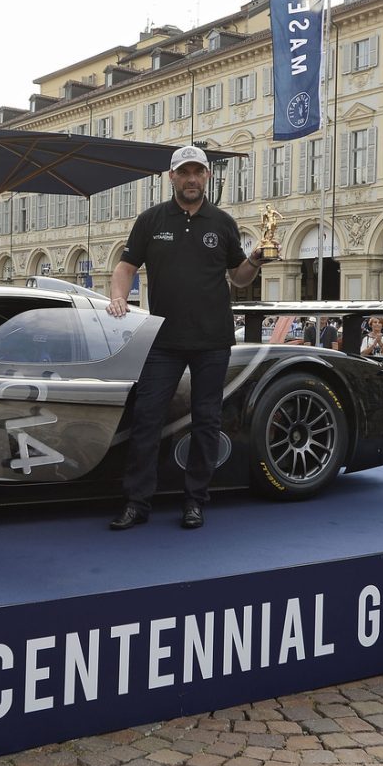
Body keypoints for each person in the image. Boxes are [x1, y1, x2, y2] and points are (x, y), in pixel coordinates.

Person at [105, 145, 268, 531]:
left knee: (207, 421)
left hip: (213, 339)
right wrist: (116, 296)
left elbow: (238, 277)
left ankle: (195, 500)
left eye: (198, 172)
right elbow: (126, 266)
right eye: (185, 172)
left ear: (207, 177)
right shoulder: (151, 220)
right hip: (162, 338)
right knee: (146, 419)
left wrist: (256, 260)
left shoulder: (223, 222)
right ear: (172, 177)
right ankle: (137, 501)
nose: (192, 179)